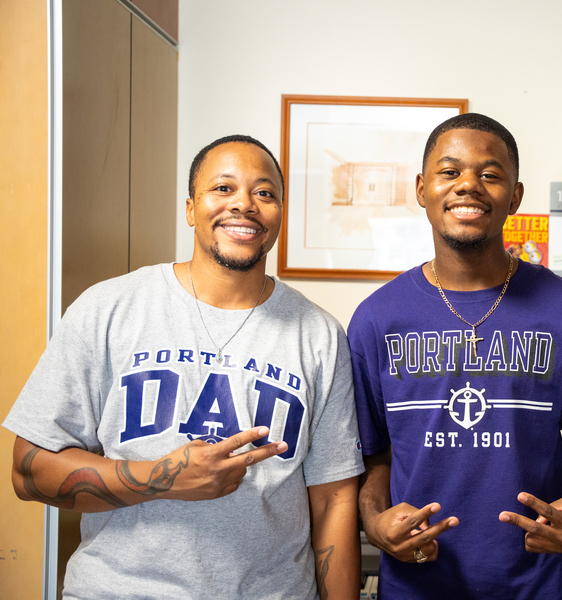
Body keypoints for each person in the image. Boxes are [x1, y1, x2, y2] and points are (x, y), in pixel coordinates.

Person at [5, 134, 364, 599]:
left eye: (265, 192)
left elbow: (334, 499)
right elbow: (29, 471)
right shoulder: (109, 308)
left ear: (279, 215)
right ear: (191, 208)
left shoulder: (319, 335)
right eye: (223, 189)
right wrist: (163, 478)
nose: (245, 204)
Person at [349, 113, 562, 599]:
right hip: (419, 584)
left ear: (514, 196)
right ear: (421, 188)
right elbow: (374, 453)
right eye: (449, 172)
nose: (468, 186)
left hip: (541, 582)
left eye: (490, 175)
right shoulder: (376, 319)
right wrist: (373, 521)